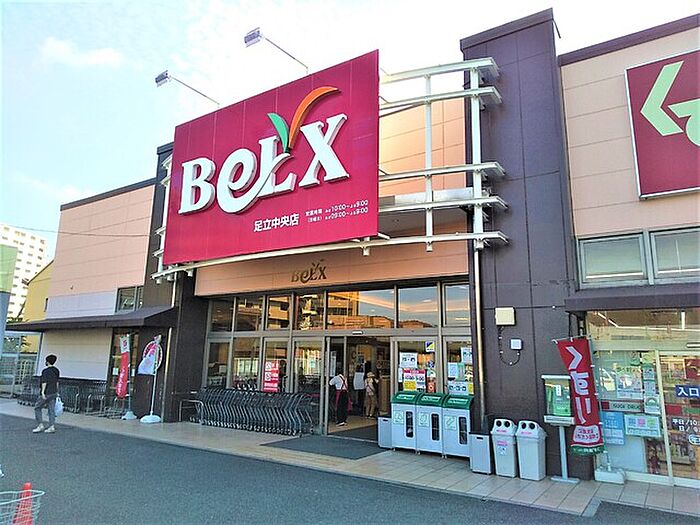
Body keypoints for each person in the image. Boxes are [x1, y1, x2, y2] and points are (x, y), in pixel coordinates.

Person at [33, 354, 60, 434]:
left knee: (37, 407)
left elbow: (44, 382)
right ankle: (51, 426)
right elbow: (57, 382)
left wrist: (42, 392)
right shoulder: (56, 370)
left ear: (47, 362)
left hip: (47, 392)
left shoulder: (45, 371)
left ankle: (40, 425)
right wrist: (57, 391)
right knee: (51, 410)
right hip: (54, 392)